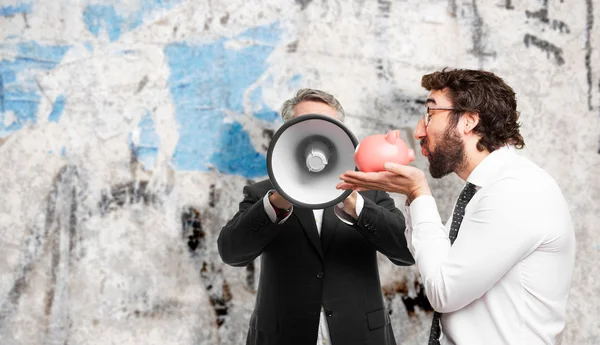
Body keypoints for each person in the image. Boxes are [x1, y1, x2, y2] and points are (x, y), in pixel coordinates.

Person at [337, 69, 576, 345]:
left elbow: (444, 291)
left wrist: (418, 191)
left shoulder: (517, 191)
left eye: (430, 113)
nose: (418, 131)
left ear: (469, 121)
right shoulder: (485, 188)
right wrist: (411, 196)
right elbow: (434, 259)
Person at [218, 88, 414, 345]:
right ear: (288, 134)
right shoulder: (262, 193)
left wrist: (356, 204)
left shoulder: (369, 192)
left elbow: (405, 251)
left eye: (326, 127)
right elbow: (232, 253)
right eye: (305, 126)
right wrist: (276, 203)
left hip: (360, 335)